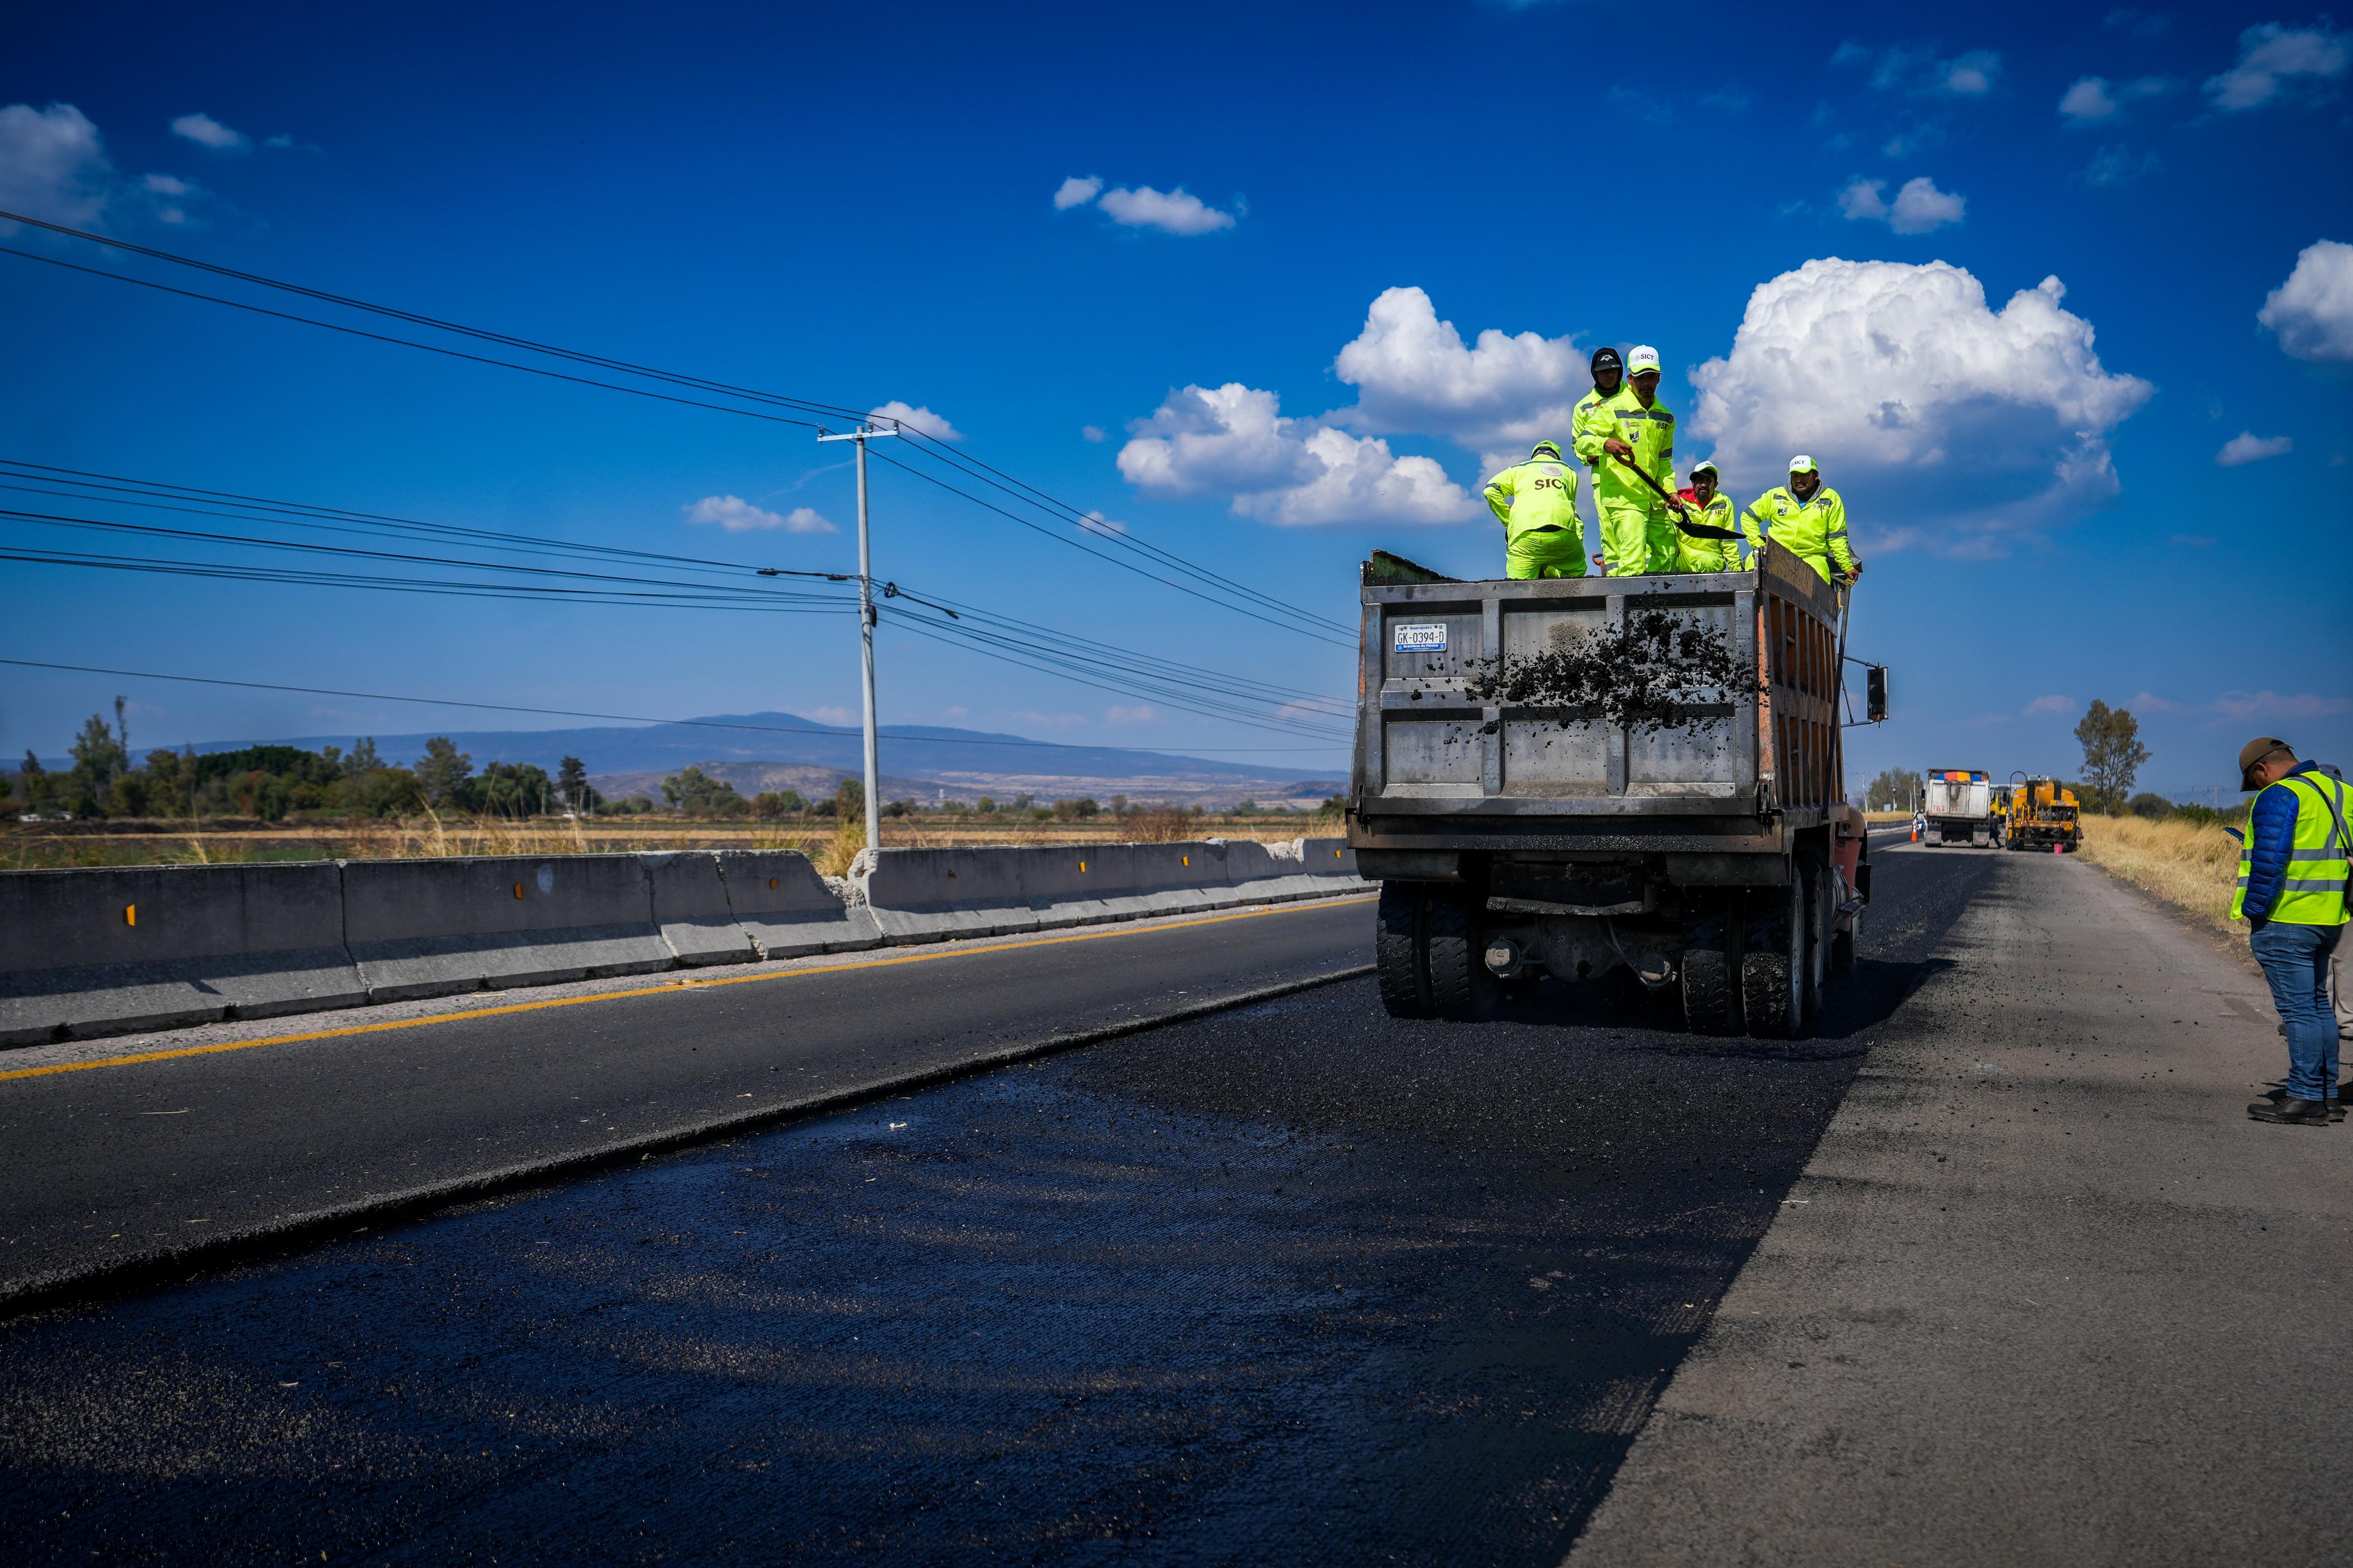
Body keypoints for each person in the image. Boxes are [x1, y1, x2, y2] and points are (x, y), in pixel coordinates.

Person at [2233, 737, 2350, 1125]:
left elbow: (2268, 863)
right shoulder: (2344, 792)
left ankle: (2302, 1096)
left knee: (2300, 1010)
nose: (2259, 788)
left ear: (2262, 769)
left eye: (2256, 780)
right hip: (2331, 919)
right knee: (2319, 1007)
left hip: (2287, 919)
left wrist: (2255, 914)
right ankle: (2327, 1094)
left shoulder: (2281, 794)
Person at [1573, 344, 1679, 576]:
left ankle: (1661, 607)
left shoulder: (1666, 417)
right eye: (1641, 378)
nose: (1646, 383)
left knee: (1668, 555)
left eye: (1651, 377)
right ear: (1630, 379)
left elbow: (1664, 463)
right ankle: (1634, 611)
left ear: (1659, 378)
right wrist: (1604, 445)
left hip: (1655, 498)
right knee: (1631, 561)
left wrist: (1670, 492)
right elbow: (1581, 443)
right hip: (1624, 496)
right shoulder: (1613, 409)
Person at [1742, 456, 1861, 586]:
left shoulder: (1831, 498)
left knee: (1820, 580)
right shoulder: (1775, 495)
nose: (1799, 480)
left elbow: (1837, 538)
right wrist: (1760, 546)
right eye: (1794, 475)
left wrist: (1847, 565)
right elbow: (1748, 517)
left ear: (1816, 475)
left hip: (1811, 556)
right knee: (1752, 562)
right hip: (1775, 553)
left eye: (1804, 475)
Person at [1482, 441, 1587, 579]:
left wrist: (1509, 520)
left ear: (1534, 457)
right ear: (1556, 457)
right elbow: (1573, 514)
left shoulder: (1518, 470)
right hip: (1562, 534)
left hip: (1525, 538)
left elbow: (1491, 491)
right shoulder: (1569, 471)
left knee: (1517, 589)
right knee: (1576, 570)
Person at [1673, 461, 1739, 572]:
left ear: (1716, 484)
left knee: (1712, 562)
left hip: (1709, 557)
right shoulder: (1680, 501)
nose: (1704, 484)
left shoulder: (1724, 503)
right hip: (1682, 555)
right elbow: (1670, 529)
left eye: (1709, 480)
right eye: (1700, 480)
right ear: (1693, 483)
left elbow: (1728, 541)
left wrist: (1738, 571)